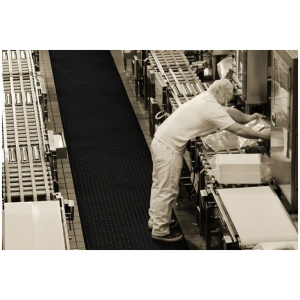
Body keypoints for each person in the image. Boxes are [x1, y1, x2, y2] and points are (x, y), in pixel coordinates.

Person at [148, 79, 271, 242]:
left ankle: (156, 220)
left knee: (159, 185)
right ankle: (160, 230)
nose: (230, 100)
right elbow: (237, 129)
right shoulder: (210, 107)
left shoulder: (207, 98)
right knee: (167, 189)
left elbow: (228, 112)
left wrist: (249, 118)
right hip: (169, 149)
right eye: (230, 96)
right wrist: (263, 135)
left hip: (162, 142)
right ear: (225, 95)